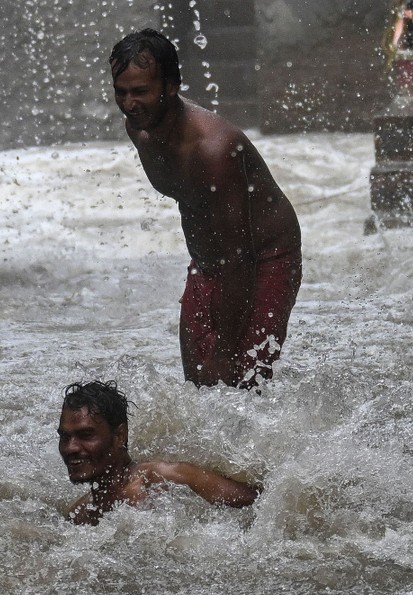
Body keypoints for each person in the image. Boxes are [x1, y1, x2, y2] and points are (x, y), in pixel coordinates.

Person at [109, 29, 303, 389]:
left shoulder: (214, 150)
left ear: (171, 87)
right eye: (121, 92)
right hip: (209, 261)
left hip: (263, 258)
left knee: (241, 387)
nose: (129, 103)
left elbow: (239, 256)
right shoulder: (140, 128)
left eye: (140, 92)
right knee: (198, 390)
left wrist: (225, 350)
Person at [57, 380, 259, 525]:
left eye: (86, 435)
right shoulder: (79, 515)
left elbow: (261, 502)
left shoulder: (168, 479)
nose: (71, 448)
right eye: (65, 437)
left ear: (119, 436)